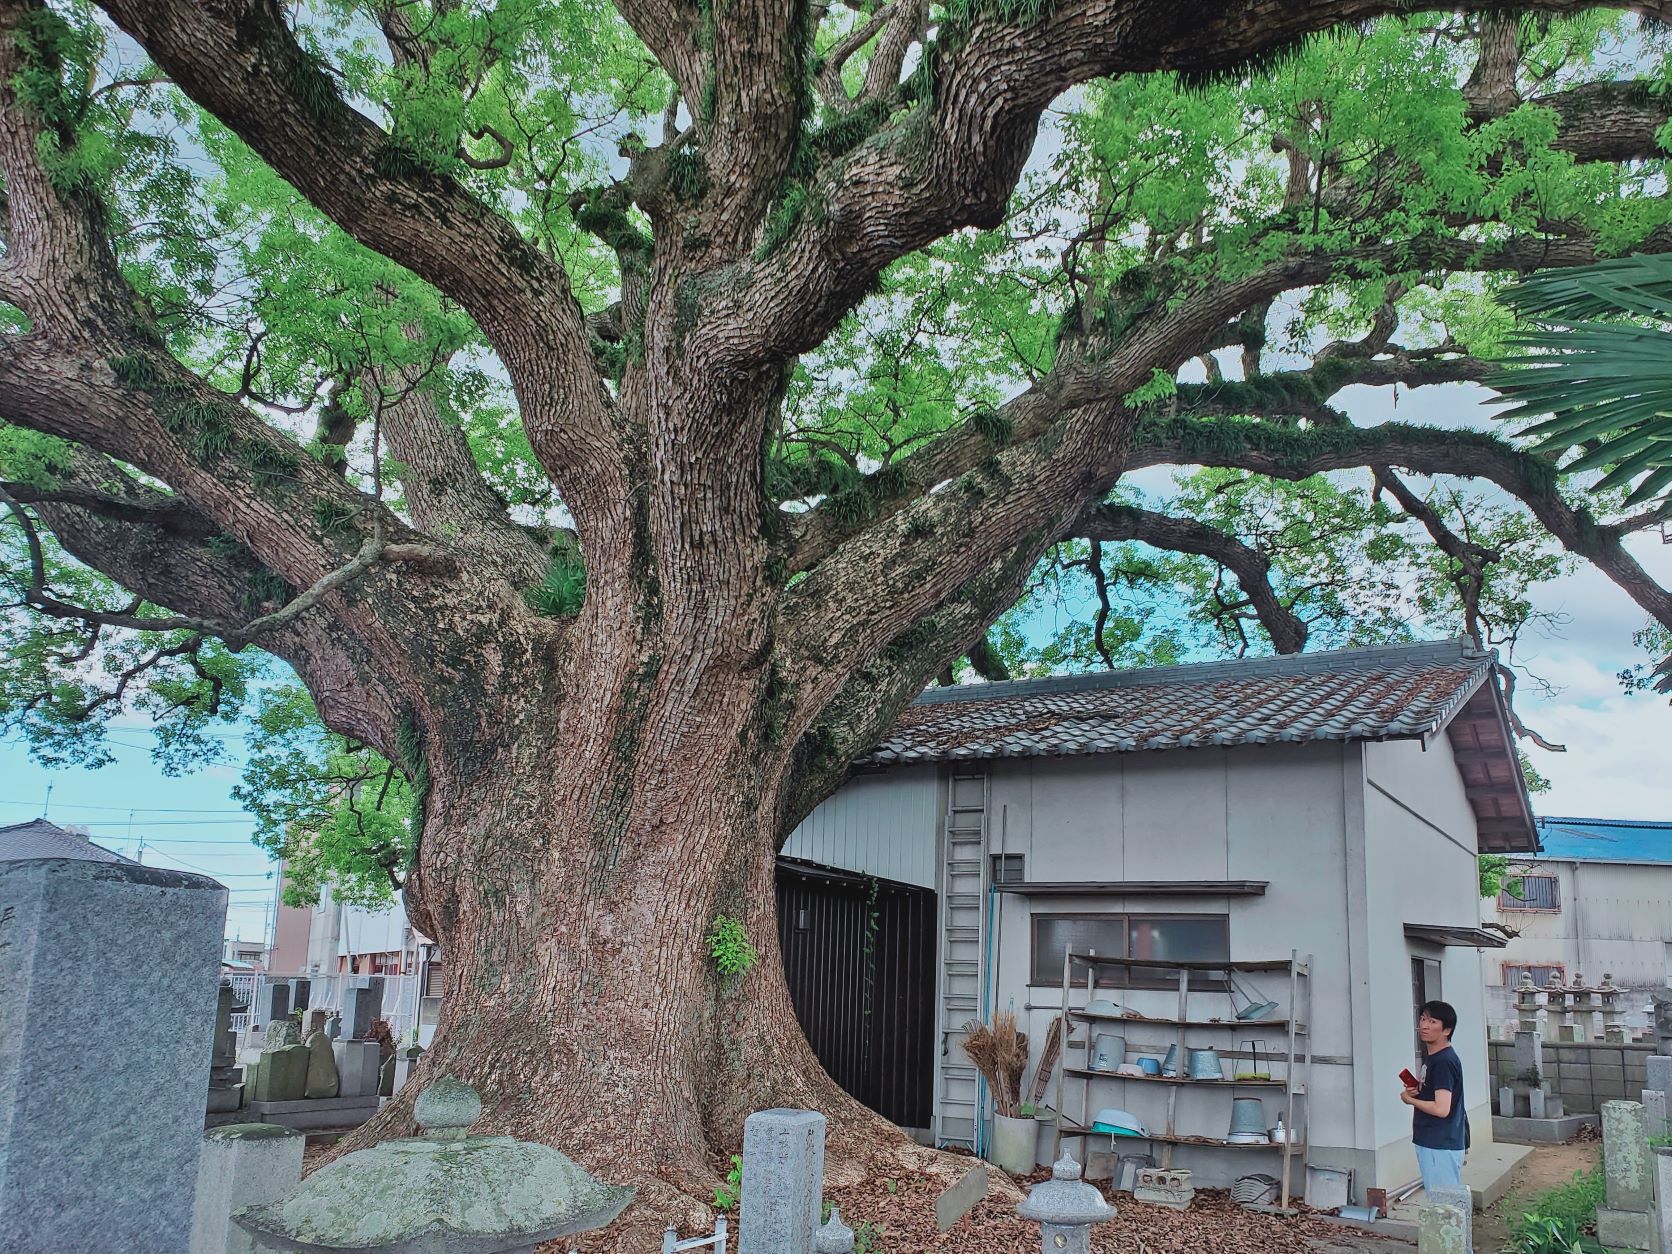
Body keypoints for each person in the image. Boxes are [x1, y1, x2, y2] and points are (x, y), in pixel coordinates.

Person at [1401, 999, 1467, 1191]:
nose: (1424, 1026)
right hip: (1435, 1141)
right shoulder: (1435, 1058)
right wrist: (1418, 1092)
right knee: (1443, 1204)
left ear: (1446, 1030)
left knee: (1445, 1206)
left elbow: (1441, 1108)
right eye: (1422, 1019)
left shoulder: (1443, 1061)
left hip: (1439, 1143)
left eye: (1432, 1022)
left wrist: (1409, 1099)